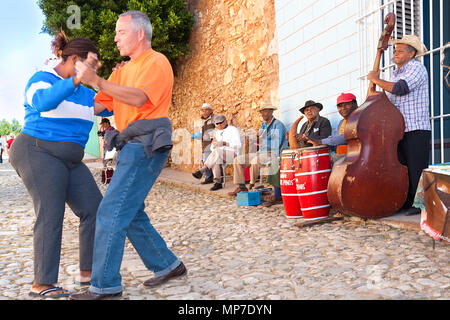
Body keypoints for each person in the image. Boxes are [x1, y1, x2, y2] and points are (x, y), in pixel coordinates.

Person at [70, 10, 186, 300]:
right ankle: (167, 265)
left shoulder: (157, 62)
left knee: (110, 211)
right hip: (130, 144)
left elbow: (138, 98)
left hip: (146, 143)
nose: (115, 38)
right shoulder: (121, 70)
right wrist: (65, 90)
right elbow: (99, 105)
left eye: (120, 32)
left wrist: (96, 79)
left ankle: (105, 287)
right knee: (130, 211)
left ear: (139, 34)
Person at [9, 31, 107, 298]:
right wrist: (76, 78)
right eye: (91, 65)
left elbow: (110, 104)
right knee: (51, 213)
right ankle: (42, 283)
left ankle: (88, 272)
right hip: (37, 151)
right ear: (74, 59)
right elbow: (43, 101)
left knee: (94, 209)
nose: (94, 70)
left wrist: (115, 80)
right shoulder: (41, 79)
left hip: (70, 159)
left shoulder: (84, 93)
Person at [367, 34, 430, 216]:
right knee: (404, 168)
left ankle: (419, 205)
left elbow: (400, 89)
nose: (395, 53)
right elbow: (389, 97)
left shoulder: (417, 68)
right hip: (399, 129)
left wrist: (376, 79)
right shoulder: (396, 73)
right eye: (395, 50)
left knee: (416, 168)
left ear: (411, 54)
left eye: (400, 50)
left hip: (416, 127)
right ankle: (406, 202)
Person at [228, 102, 288, 207]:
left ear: (271, 111)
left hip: (272, 153)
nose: (262, 114)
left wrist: (262, 139)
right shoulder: (263, 125)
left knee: (255, 160)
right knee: (238, 160)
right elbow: (260, 142)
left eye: (265, 111)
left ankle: (252, 185)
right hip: (261, 152)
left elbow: (275, 145)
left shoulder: (277, 125)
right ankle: (242, 186)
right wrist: (255, 139)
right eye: (261, 112)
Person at [307, 93, 358, 163]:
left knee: (325, 163)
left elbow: (346, 136)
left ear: (355, 105)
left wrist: (321, 142)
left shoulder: (359, 118)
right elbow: (334, 141)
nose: (343, 108)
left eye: (347, 104)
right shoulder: (341, 122)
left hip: (356, 155)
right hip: (341, 155)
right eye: (340, 106)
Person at [203, 115, 241, 191]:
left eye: (221, 123)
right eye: (217, 124)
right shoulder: (216, 132)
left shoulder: (233, 129)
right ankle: (218, 182)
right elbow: (212, 149)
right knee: (216, 157)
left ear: (225, 121)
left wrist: (225, 143)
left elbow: (238, 145)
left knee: (216, 153)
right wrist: (213, 145)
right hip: (219, 154)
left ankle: (205, 167)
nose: (219, 125)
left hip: (232, 153)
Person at [191, 103, 215, 184]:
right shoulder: (203, 121)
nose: (204, 112)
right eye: (203, 110)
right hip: (205, 144)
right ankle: (207, 176)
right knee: (204, 160)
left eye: (206, 110)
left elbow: (217, 130)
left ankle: (208, 177)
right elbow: (203, 133)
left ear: (211, 111)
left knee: (207, 160)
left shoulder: (214, 119)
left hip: (212, 144)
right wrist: (198, 136)